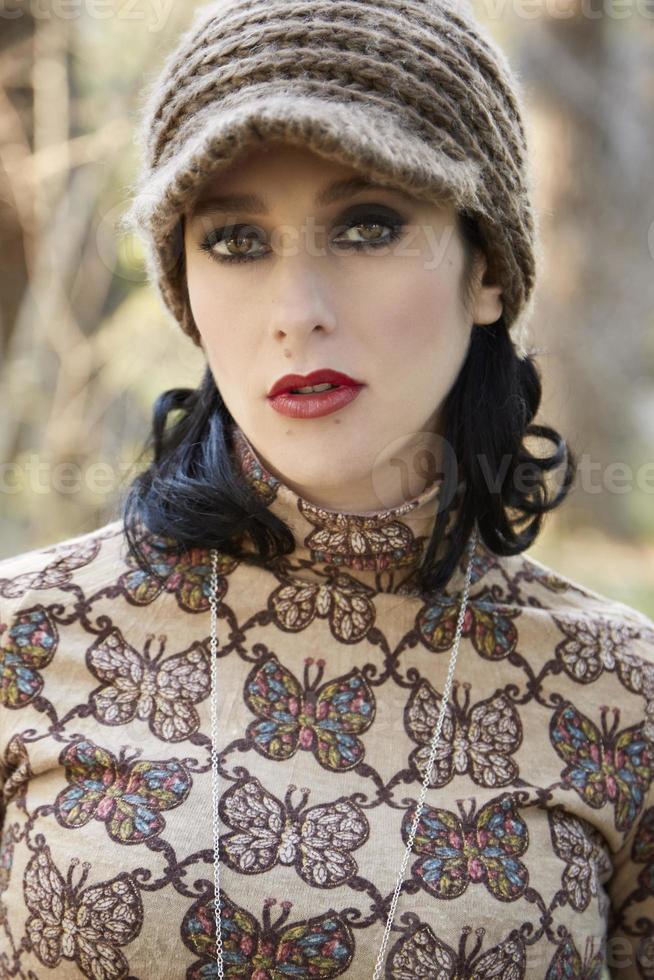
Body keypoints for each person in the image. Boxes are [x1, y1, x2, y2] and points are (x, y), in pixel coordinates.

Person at [1, 0, 653, 976]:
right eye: (235, 240)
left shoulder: (621, 697)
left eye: (369, 224)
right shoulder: (26, 640)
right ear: (182, 285)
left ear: (488, 269)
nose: (297, 313)